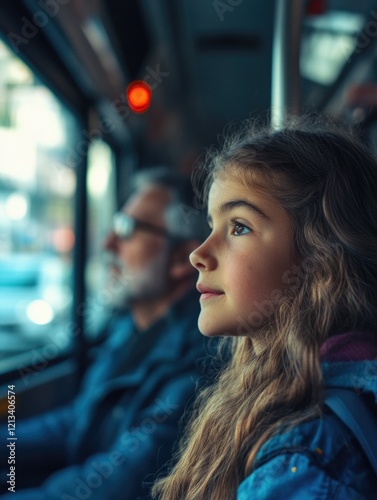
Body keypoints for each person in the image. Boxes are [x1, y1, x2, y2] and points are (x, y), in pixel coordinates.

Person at [152, 117, 377, 499]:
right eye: (211, 225)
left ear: (318, 258)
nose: (198, 254)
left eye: (238, 227)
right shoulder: (272, 388)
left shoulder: (308, 453)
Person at [0, 167, 213, 499]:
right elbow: (78, 421)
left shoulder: (199, 363)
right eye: (116, 225)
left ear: (179, 258)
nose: (108, 242)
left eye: (128, 229)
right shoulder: (127, 329)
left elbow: (113, 485)